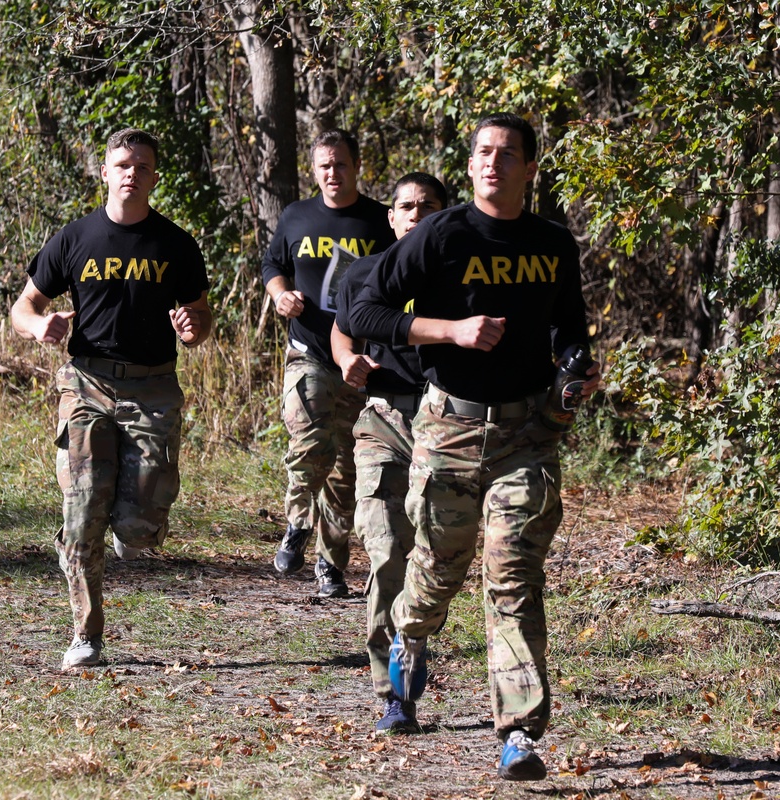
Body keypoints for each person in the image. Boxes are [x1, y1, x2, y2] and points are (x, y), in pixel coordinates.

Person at [347, 113, 601, 780]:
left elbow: (571, 328)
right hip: (450, 429)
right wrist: (449, 332)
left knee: (513, 575)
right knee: (437, 572)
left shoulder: (552, 242)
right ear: (470, 166)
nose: (494, 163)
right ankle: (410, 636)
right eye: (483, 152)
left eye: (508, 154)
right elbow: (362, 314)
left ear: (530, 169)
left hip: (526, 433)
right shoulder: (442, 233)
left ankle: (519, 732)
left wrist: (578, 364)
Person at [10, 128, 212, 670]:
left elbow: (201, 321)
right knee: (82, 510)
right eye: (122, 164)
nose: (131, 173)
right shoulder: (75, 239)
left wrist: (191, 327)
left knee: (141, 528)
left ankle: (133, 529)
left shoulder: (175, 244)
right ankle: (86, 632)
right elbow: (22, 308)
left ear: (153, 177)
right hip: (86, 384)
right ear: (105, 171)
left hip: (153, 386)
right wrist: (39, 326)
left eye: (142, 166)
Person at [331, 172, 447, 734]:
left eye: (428, 205)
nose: (416, 213)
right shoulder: (365, 271)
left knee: (432, 557)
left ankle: (415, 639)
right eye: (406, 206)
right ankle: (393, 692)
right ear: (392, 217)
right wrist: (345, 358)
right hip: (382, 418)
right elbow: (341, 329)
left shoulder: (461, 274)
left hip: (446, 425)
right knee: (384, 551)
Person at [262, 129, 396, 597]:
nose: (332, 173)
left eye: (340, 164)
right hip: (309, 353)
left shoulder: (381, 220)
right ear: (313, 171)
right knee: (312, 438)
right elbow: (271, 265)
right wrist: (282, 296)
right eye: (323, 166)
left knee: (344, 470)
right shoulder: (297, 216)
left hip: (366, 360)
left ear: (356, 167)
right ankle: (298, 523)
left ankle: (330, 566)